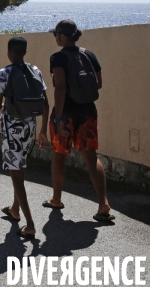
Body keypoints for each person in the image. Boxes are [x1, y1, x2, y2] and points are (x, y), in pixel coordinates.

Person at [46, 19, 114, 222]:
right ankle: (103, 204)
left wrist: (58, 117)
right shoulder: (89, 54)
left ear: (63, 36)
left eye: (56, 34)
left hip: (65, 112)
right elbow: (98, 84)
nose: (55, 38)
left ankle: (56, 199)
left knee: (59, 155)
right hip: (88, 112)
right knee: (91, 158)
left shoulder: (57, 57)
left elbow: (60, 87)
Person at [0, 36, 49, 239]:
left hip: (11, 130)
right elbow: (45, 103)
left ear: (9, 52)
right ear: (24, 52)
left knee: (16, 176)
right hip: (30, 128)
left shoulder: (4, 73)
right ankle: (14, 209)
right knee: (20, 168)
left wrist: (3, 106)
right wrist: (43, 130)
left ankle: (30, 224)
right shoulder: (35, 70)